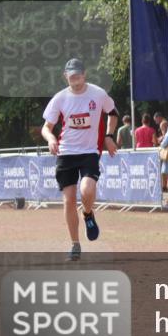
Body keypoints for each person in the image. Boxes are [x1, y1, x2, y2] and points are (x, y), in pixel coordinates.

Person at [41, 58, 118, 261]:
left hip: (89, 152)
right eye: (71, 75)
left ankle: (88, 213)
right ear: (65, 76)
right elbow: (46, 127)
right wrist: (50, 139)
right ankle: (75, 244)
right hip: (66, 153)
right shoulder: (60, 98)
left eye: (78, 74)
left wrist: (109, 136)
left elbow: (113, 113)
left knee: (87, 190)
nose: (75, 78)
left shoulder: (98, 94)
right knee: (68, 201)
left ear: (84, 74)